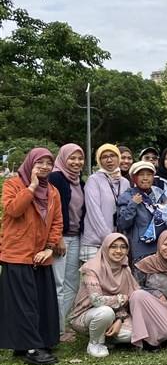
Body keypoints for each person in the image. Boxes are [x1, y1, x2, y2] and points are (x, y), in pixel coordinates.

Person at [0, 148, 62, 365]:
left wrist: (50, 247)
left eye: (48, 163)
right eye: (40, 163)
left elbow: (56, 223)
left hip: (41, 254)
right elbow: (13, 210)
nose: (45, 167)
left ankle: (36, 341)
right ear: (30, 164)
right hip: (17, 254)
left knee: (42, 302)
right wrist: (32, 187)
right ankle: (31, 349)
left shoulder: (53, 191)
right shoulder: (12, 185)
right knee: (23, 303)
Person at [70, 234, 167, 357]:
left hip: (115, 313)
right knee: (105, 312)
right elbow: (97, 301)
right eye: (113, 247)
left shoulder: (124, 269)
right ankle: (95, 343)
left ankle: (108, 338)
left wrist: (120, 319)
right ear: (105, 248)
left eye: (123, 247)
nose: (118, 251)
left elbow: (134, 295)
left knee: (134, 333)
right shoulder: (91, 269)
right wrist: (123, 298)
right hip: (87, 314)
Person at [48, 143, 85, 340]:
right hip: (60, 238)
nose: (76, 162)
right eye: (72, 158)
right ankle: (56, 328)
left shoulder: (80, 181)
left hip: (75, 236)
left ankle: (65, 324)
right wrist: (56, 238)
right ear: (63, 158)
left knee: (72, 283)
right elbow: (52, 210)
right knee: (58, 283)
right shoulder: (55, 178)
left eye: (80, 158)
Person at [81, 144, 130, 262]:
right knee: (94, 279)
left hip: (118, 243)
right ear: (99, 161)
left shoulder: (125, 182)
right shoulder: (94, 180)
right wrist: (109, 238)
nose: (109, 160)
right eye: (104, 157)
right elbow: (94, 212)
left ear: (118, 158)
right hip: (95, 242)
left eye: (112, 155)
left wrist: (118, 240)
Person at [116, 161, 167, 263]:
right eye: (141, 175)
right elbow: (122, 224)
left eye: (149, 174)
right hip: (140, 250)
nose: (145, 178)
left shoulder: (159, 194)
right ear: (134, 178)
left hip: (162, 248)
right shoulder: (127, 196)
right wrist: (133, 204)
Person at [133, 230, 167, 306]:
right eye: (166, 244)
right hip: (149, 306)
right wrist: (156, 294)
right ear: (159, 244)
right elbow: (135, 288)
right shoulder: (146, 263)